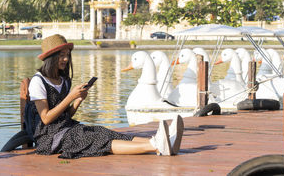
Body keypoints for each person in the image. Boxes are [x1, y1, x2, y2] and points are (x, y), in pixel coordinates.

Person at [28, 34, 184, 159]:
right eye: (61, 56)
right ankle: (155, 145)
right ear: (51, 58)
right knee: (98, 140)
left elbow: (65, 116)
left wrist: (78, 101)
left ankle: (163, 140)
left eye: (67, 55)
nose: (66, 59)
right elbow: (46, 118)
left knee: (104, 132)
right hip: (50, 138)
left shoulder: (64, 80)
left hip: (66, 128)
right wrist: (70, 97)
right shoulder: (38, 81)